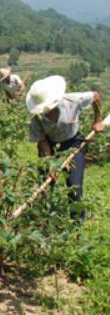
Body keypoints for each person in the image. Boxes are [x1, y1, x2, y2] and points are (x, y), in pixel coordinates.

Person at [26, 75, 104, 220]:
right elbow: (42, 142)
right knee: (46, 183)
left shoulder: (72, 101)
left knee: (74, 185)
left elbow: (95, 96)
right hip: (50, 145)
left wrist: (98, 120)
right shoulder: (36, 118)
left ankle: (76, 224)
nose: (47, 111)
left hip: (73, 142)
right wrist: (50, 165)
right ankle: (45, 217)